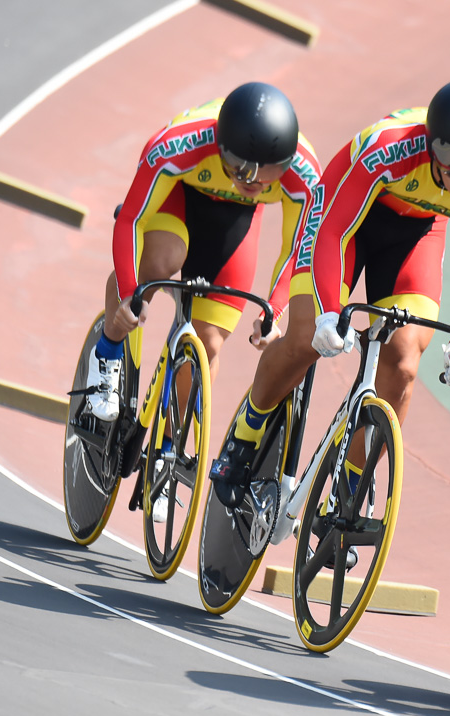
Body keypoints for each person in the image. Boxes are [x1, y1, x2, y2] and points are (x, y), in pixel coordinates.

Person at [208, 78, 450, 526]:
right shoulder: (388, 151)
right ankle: (245, 435)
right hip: (346, 221)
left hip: (416, 233)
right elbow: (333, 233)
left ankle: (348, 485)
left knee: (403, 362)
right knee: (307, 338)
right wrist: (327, 312)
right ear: (434, 149)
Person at [81, 82, 321, 519]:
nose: (255, 182)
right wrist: (133, 292)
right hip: (178, 200)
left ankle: (168, 454)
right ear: (221, 148)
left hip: (233, 228)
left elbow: (297, 249)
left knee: (207, 345)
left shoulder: (304, 173)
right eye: (242, 170)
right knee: (161, 261)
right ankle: (108, 351)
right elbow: (131, 220)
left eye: (267, 175)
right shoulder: (178, 144)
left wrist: (275, 308)